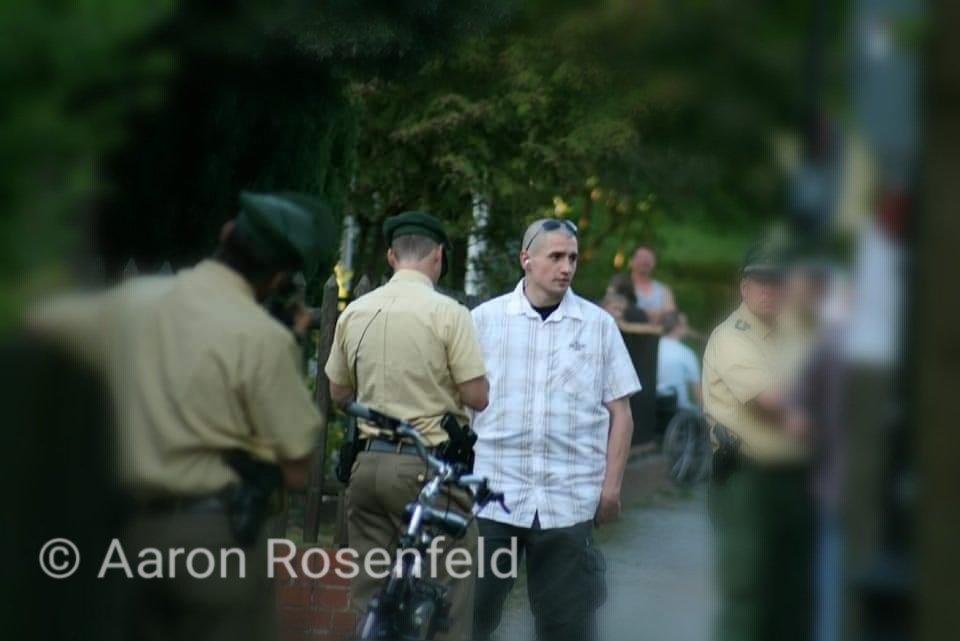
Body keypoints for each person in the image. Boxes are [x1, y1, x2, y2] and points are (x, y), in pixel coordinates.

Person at [29, 191, 337, 641]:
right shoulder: (262, 339)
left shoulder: (133, 301)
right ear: (276, 278)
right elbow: (295, 469)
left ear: (226, 233)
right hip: (210, 543)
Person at [470, 218, 641, 641]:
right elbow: (459, 405)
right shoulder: (484, 321)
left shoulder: (598, 325)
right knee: (470, 616)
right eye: (556, 257)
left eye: (573, 258)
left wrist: (611, 488)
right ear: (526, 259)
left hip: (568, 500)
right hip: (494, 496)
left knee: (566, 627)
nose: (566, 267)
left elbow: (622, 412)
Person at [324, 211, 489, 641]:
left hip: (366, 470)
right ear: (438, 256)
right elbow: (477, 397)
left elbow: (338, 393)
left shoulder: (354, 312)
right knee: (444, 593)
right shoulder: (449, 314)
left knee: (371, 595)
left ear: (391, 256)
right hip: (426, 471)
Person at [702, 244, 814, 641]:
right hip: (747, 481)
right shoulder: (732, 336)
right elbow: (777, 406)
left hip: (795, 479)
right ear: (745, 287)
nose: (769, 290)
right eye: (760, 281)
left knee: (793, 595)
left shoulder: (796, 334)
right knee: (747, 594)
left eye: (777, 282)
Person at [656, 311, 702, 411]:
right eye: (685, 325)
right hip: (679, 410)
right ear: (677, 327)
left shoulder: (653, 349)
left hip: (655, 406)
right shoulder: (686, 353)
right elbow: (697, 392)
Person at [629, 245, 676, 322]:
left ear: (654, 263)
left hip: (659, 333)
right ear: (631, 261)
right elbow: (614, 309)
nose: (644, 261)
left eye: (648, 258)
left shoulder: (663, 289)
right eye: (641, 257)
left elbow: (671, 315)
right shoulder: (621, 284)